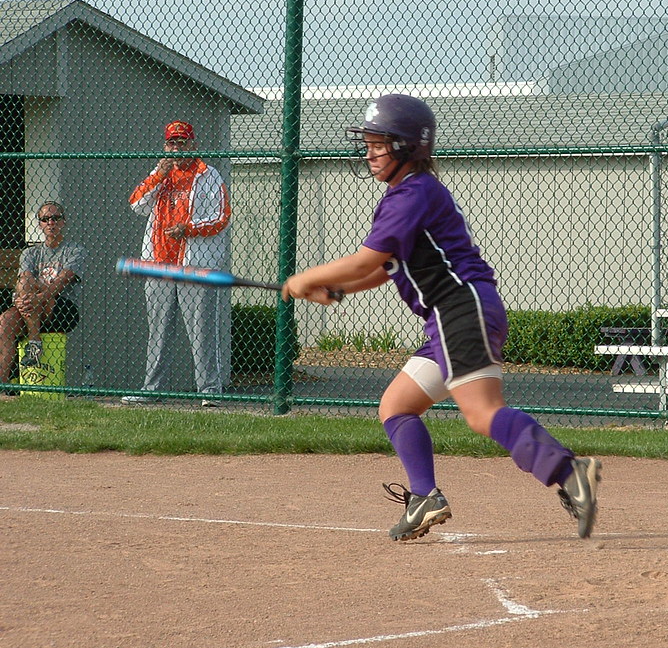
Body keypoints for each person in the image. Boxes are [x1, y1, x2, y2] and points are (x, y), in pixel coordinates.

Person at [281, 94, 601, 541]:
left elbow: (366, 258)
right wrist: (336, 289)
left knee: (482, 412)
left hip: (458, 310)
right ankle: (424, 496)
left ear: (409, 148)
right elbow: (382, 269)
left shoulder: (413, 193)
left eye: (381, 144)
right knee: (396, 406)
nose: (370, 152)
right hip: (453, 316)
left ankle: (567, 469)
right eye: (369, 143)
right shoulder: (406, 195)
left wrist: (304, 278)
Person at [122, 120, 230, 407]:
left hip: (195, 265)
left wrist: (189, 228)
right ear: (165, 145)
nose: (177, 147)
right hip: (158, 262)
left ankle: (210, 393)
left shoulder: (208, 175)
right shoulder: (162, 175)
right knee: (157, 332)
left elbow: (221, 218)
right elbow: (135, 203)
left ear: (193, 144)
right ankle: (152, 390)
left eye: (182, 142)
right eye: (172, 142)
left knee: (202, 332)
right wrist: (158, 174)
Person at [0, 201, 85, 387]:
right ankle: (3, 385)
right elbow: (25, 279)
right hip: (32, 306)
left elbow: (61, 282)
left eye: (55, 218)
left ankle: (34, 340)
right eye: (45, 219)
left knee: (31, 288)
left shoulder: (74, 251)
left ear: (63, 222)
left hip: (62, 308)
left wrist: (35, 297)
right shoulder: (30, 253)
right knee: (5, 320)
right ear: (39, 224)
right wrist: (28, 299)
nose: (50, 223)